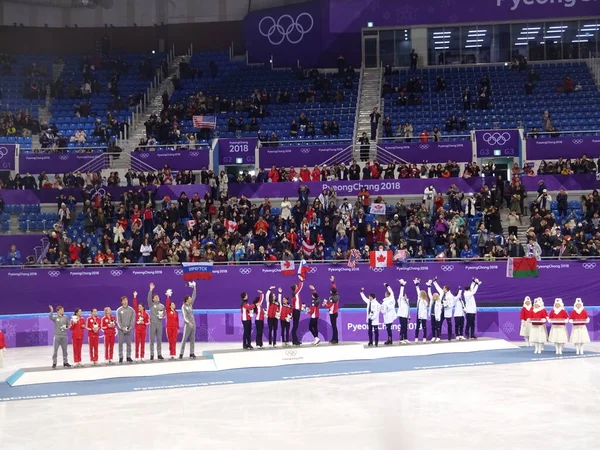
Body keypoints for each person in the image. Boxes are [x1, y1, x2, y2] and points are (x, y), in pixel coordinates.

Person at [147, 283, 166, 360]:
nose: (157, 298)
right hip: (153, 324)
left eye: (157, 297)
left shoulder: (162, 306)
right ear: (153, 299)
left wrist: (162, 316)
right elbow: (148, 298)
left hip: (159, 324)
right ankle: (152, 354)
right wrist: (151, 290)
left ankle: (159, 354)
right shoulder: (151, 305)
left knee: (159, 340)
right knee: (152, 340)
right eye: (155, 297)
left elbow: (164, 314)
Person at [49, 304, 71, 369]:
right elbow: (50, 317)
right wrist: (51, 311)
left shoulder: (66, 317)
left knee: (65, 350)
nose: (63, 311)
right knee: (55, 350)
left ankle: (65, 362)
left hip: (64, 336)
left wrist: (66, 327)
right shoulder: (55, 318)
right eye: (61, 310)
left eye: (63, 310)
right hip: (57, 336)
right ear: (58, 311)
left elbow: (69, 325)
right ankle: (54, 362)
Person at [179, 281, 198, 358]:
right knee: (184, 339)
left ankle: (191, 353)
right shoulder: (183, 307)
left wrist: (194, 288)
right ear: (187, 300)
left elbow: (194, 296)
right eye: (189, 298)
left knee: (192, 339)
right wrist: (188, 322)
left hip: (193, 323)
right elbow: (184, 316)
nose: (191, 299)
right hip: (187, 325)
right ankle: (181, 353)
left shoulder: (190, 305)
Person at [116, 295, 135, 363]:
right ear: (121, 302)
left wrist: (130, 327)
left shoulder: (131, 310)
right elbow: (118, 320)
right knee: (120, 343)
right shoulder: (119, 310)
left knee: (129, 343)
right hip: (121, 330)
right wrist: (122, 328)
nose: (125, 301)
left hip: (129, 330)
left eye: (126, 300)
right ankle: (121, 357)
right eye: (124, 300)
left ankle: (128, 356)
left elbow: (132, 319)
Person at [322, 276, 339, 344]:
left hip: (332, 313)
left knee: (334, 326)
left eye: (330, 290)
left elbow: (329, 306)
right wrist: (332, 282)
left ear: (331, 292)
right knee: (334, 326)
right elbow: (334, 288)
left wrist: (325, 305)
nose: (330, 291)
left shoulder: (332, 298)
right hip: (335, 312)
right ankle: (334, 338)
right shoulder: (336, 295)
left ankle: (335, 339)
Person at [133, 293, 150, 361]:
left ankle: (142, 356)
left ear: (143, 307)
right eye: (138, 306)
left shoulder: (146, 314)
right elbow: (134, 305)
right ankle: (136, 356)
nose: (139, 307)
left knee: (143, 343)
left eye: (140, 306)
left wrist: (144, 323)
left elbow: (148, 322)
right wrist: (134, 297)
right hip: (137, 330)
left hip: (143, 330)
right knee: (137, 343)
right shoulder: (137, 312)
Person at [291, 275, 305, 346]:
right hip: (296, 311)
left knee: (295, 326)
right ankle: (295, 340)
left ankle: (295, 340)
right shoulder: (295, 293)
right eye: (296, 286)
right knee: (295, 326)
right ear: (295, 288)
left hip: (296, 310)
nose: (297, 287)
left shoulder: (296, 294)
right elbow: (301, 287)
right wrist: (301, 280)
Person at [394, 279, 409, 344]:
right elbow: (401, 293)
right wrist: (402, 285)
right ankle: (401, 339)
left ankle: (405, 338)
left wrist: (409, 316)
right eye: (404, 295)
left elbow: (408, 309)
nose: (405, 296)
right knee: (402, 327)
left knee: (405, 327)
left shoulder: (407, 301)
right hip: (401, 316)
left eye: (406, 295)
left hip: (406, 316)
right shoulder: (400, 300)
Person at [165, 291, 179, 359]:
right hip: (169, 328)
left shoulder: (176, 313)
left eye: (174, 304)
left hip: (175, 328)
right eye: (172, 304)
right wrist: (168, 297)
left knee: (174, 340)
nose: (173, 305)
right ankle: (171, 353)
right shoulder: (168, 311)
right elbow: (167, 304)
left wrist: (178, 328)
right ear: (170, 306)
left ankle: (174, 353)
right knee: (170, 341)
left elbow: (177, 321)